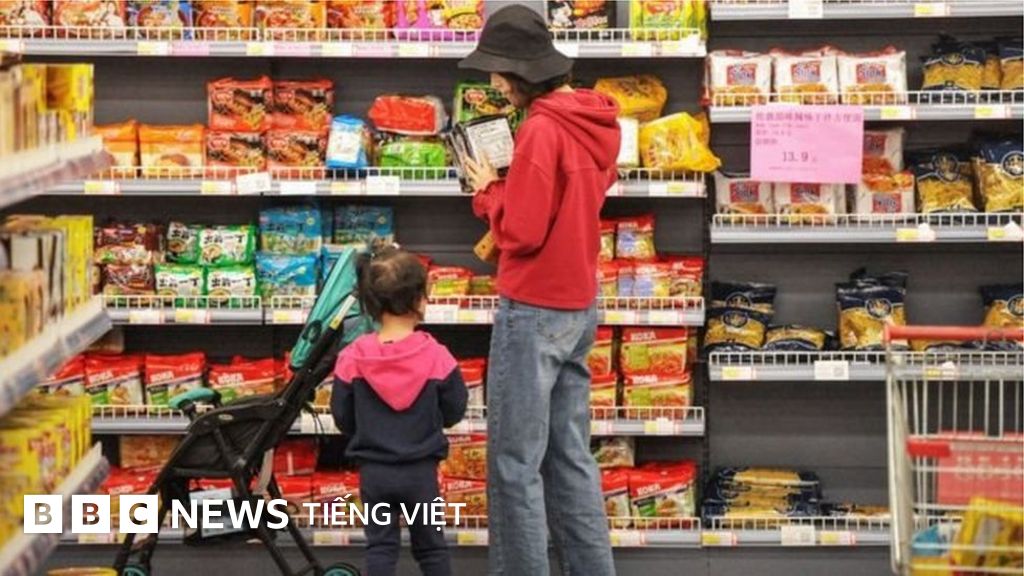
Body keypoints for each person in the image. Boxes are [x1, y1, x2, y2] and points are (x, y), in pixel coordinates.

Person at [458, 5, 621, 576]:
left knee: (514, 465)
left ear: (520, 72)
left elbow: (523, 232)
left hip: (533, 310)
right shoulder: (595, 121)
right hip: (578, 304)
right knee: (571, 458)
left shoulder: (540, 130)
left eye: (499, 72)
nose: (495, 82)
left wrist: (488, 192)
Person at [331, 246, 468, 576]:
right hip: (421, 474)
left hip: (374, 473)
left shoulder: (352, 357)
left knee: (380, 547)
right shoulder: (437, 355)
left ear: (371, 303)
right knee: (431, 547)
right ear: (420, 299)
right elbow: (455, 409)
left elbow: (342, 416)